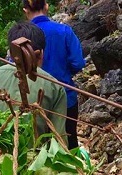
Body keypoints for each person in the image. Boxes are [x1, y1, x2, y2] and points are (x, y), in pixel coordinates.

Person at [0, 22, 67, 141]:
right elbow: (59, 139)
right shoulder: (55, 87)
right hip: (34, 157)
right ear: (41, 54)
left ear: (10, 53)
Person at [23, 0, 85, 149]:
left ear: (25, 11)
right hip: (66, 97)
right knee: (69, 143)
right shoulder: (64, 31)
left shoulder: (21, 36)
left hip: (33, 99)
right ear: (46, 7)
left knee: (35, 146)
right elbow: (78, 63)